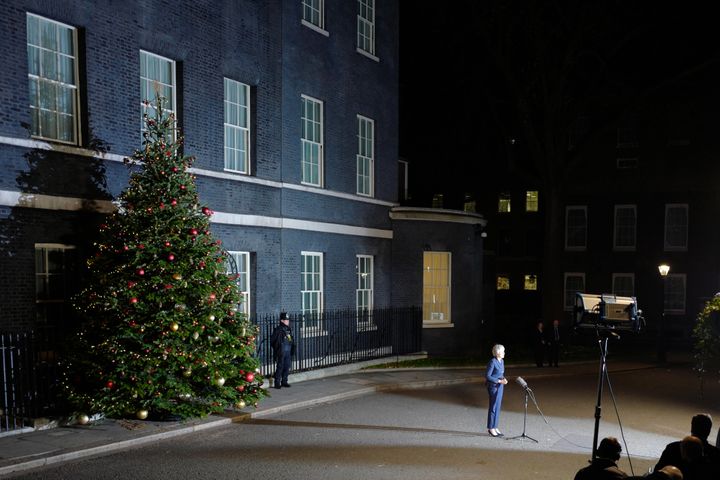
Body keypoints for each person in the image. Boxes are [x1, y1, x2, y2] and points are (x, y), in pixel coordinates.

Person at [655, 413, 720, 478]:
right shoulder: (716, 454)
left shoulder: (672, 448)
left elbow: (658, 471)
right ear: (709, 431)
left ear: (692, 428)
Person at [485, 344, 508, 437]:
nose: (504, 353)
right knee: (493, 407)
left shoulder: (501, 361)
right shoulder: (492, 362)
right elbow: (488, 376)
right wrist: (499, 381)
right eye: (503, 352)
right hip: (493, 387)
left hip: (500, 386)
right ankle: (491, 428)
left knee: (498, 406)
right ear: (498, 353)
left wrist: (504, 379)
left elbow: (500, 373)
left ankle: (495, 426)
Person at [270, 312, 295, 389]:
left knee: (287, 366)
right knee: (280, 367)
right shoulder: (278, 330)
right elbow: (273, 341)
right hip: (281, 351)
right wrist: (277, 349)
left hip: (288, 350)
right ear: (282, 320)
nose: (288, 321)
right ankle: (277, 383)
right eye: (286, 320)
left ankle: (284, 381)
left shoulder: (288, 329)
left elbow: (291, 339)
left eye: (288, 320)